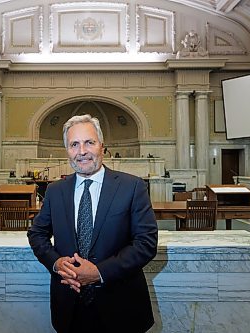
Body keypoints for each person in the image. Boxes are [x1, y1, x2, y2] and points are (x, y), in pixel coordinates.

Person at [27, 114, 158, 333]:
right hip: (69, 306)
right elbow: (37, 234)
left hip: (121, 306)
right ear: (67, 150)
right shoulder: (55, 191)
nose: (82, 151)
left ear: (102, 146)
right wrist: (56, 263)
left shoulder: (132, 187)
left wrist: (99, 272)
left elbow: (146, 243)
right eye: (74, 144)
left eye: (89, 142)